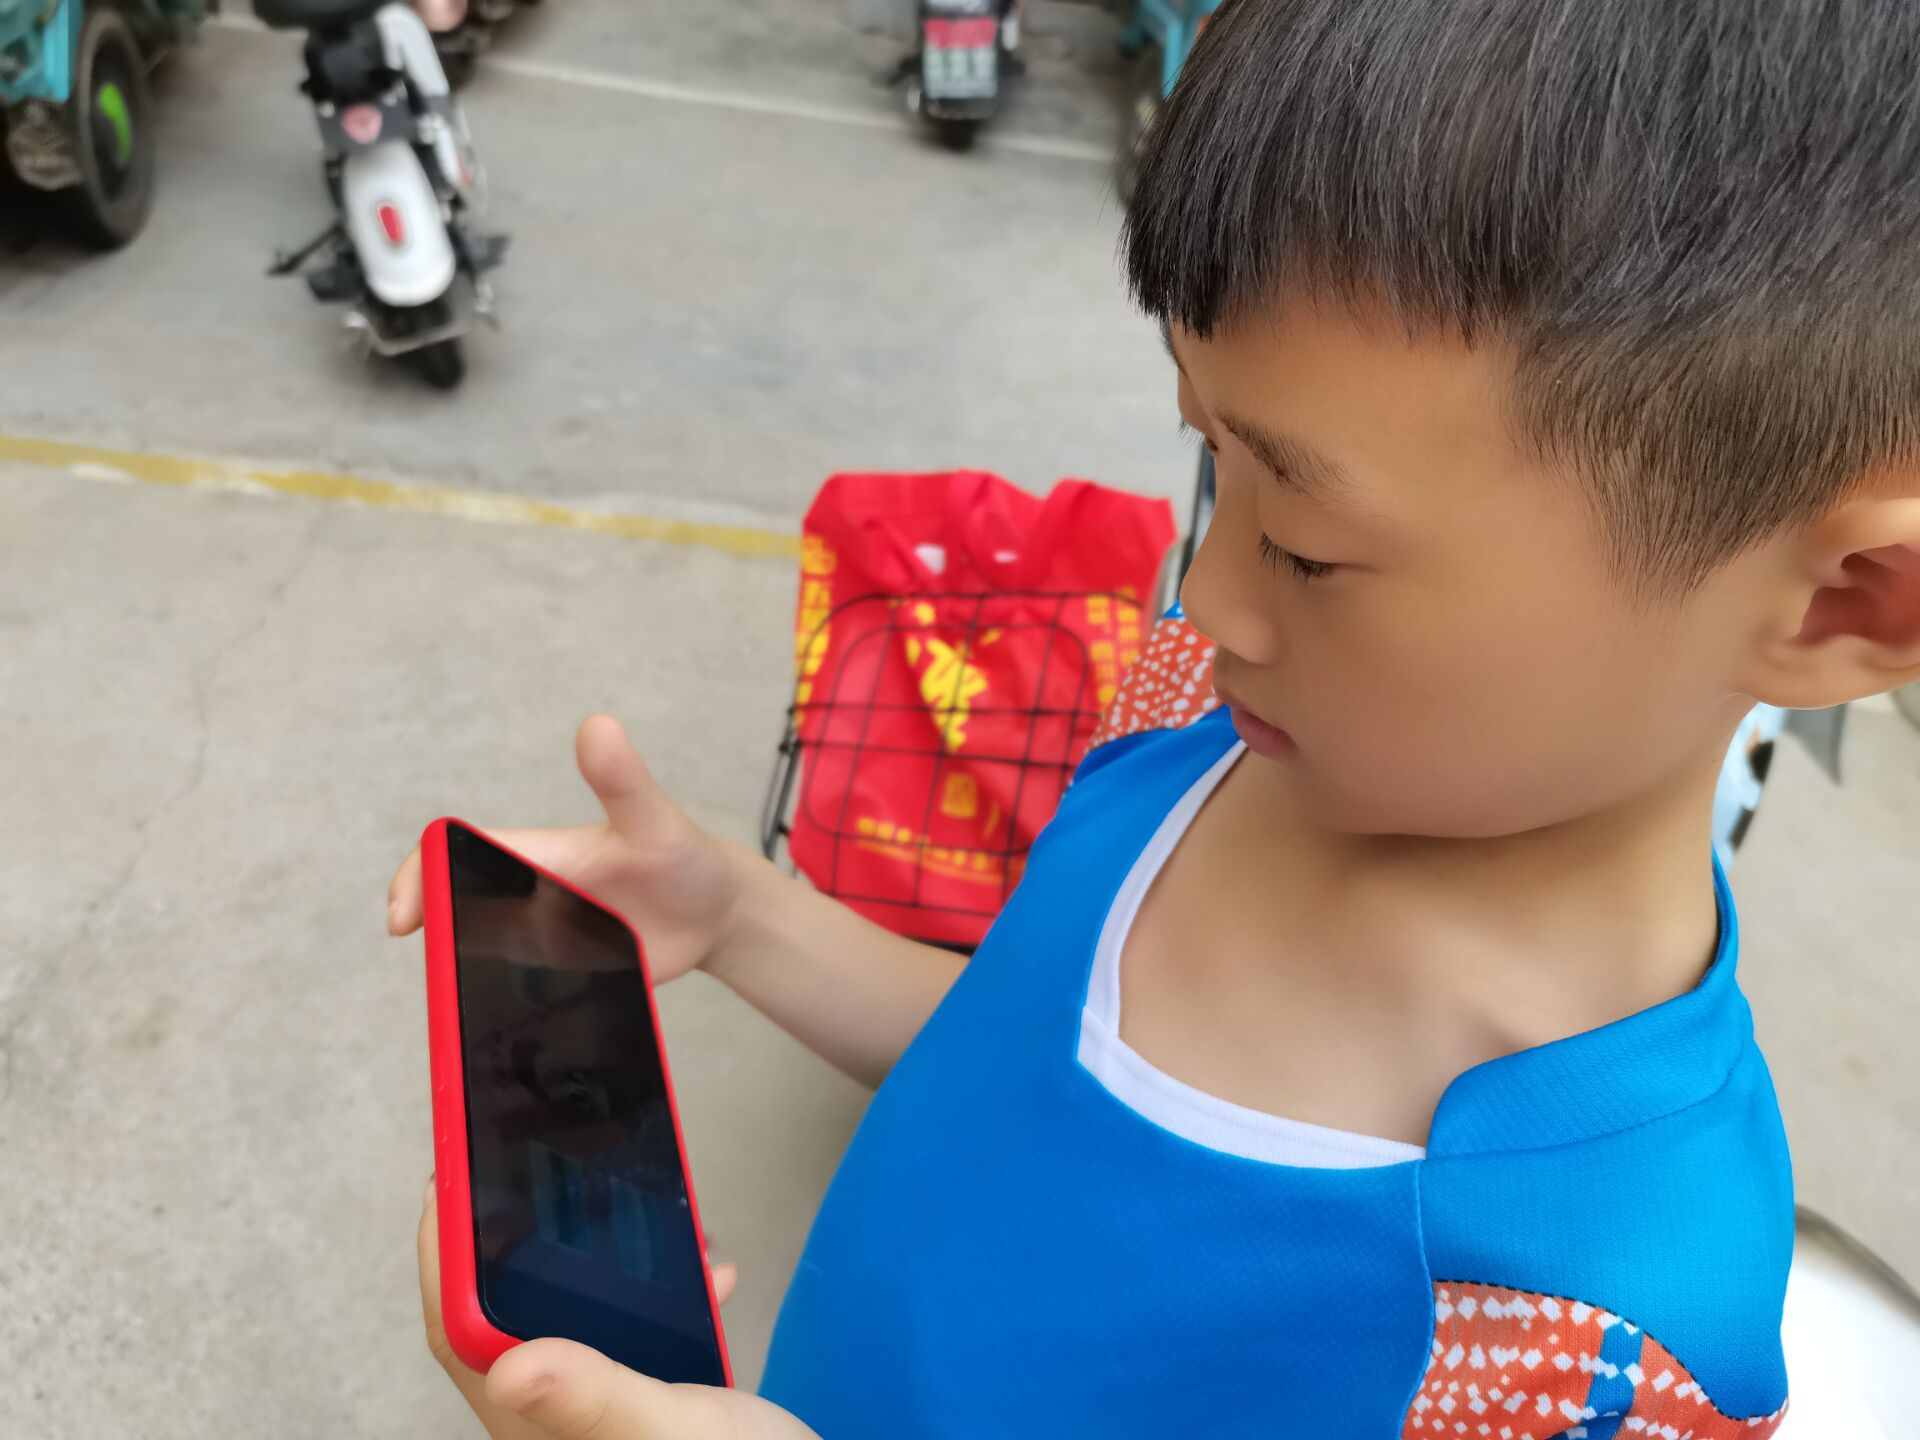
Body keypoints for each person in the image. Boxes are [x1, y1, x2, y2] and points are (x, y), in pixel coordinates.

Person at [387, 0, 1920, 1433]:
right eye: (1210, 463)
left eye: (1307, 546)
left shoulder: (1593, 1342)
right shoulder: (1210, 704)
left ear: (1849, 606)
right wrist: (743, 916)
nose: (1207, 587)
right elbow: (1019, 1065)